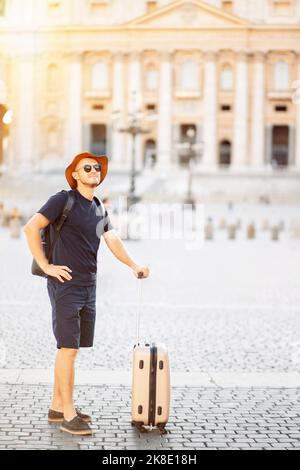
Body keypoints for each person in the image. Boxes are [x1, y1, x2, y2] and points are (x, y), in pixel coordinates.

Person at [23, 151, 150, 436]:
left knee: (71, 349)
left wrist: (134, 265)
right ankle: (69, 414)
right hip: (65, 285)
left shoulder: (97, 206)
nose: (94, 171)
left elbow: (112, 238)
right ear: (75, 175)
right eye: (87, 167)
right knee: (67, 349)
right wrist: (46, 265)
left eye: (97, 168)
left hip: (88, 286)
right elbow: (31, 227)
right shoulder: (62, 200)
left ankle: (57, 406)